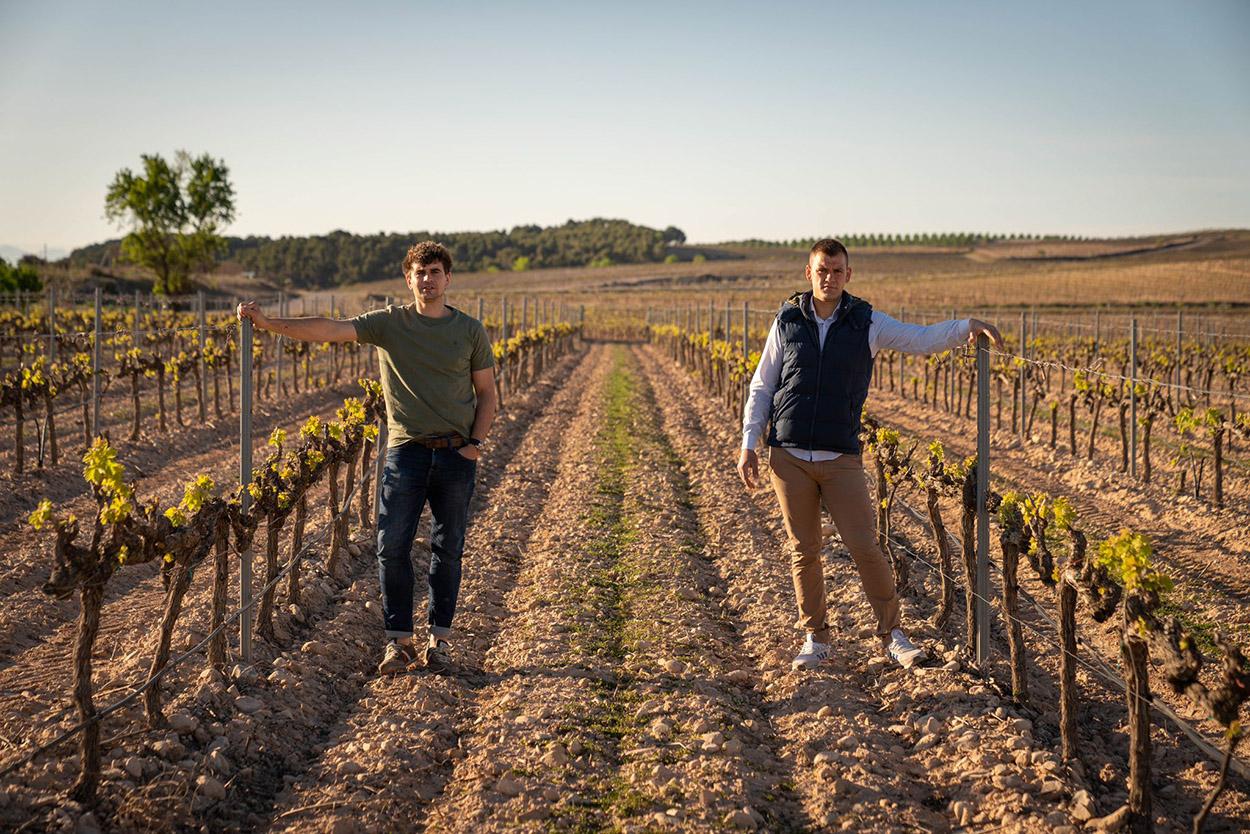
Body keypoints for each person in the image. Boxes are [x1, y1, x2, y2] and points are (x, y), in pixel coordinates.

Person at [737, 238, 1002, 670]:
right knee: (803, 549)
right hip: (787, 455)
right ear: (809, 273)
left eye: (837, 271)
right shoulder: (786, 320)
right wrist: (750, 442)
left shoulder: (867, 322)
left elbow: (919, 338)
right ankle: (815, 638)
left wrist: (964, 327)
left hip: (840, 456)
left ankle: (894, 635)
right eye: (822, 270)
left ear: (848, 275)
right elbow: (763, 386)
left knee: (865, 546)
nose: (829, 278)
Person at [236, 240, 497, 676]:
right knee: (391, 547)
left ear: (448, 278)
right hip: (406, 454)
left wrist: (475, 445)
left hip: (455, 455)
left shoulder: (469, 331)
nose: (427, 280)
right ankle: (399, 642)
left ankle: (440, 641)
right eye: (420, 273)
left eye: (435, 272)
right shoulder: (389, 324)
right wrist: (266, 323)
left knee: (447, 549)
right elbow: (329, 329)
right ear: (407, 279)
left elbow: (487, 394)